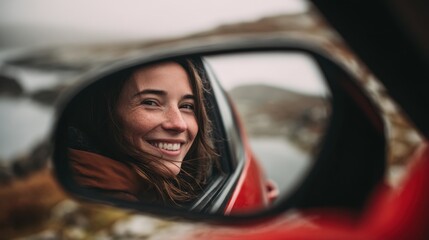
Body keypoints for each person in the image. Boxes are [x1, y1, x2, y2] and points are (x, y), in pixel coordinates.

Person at [66, 58, 218, 207]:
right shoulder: (108, 198)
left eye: (187, 106)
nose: (179, 124)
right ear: (105, 113)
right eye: (150, 102)